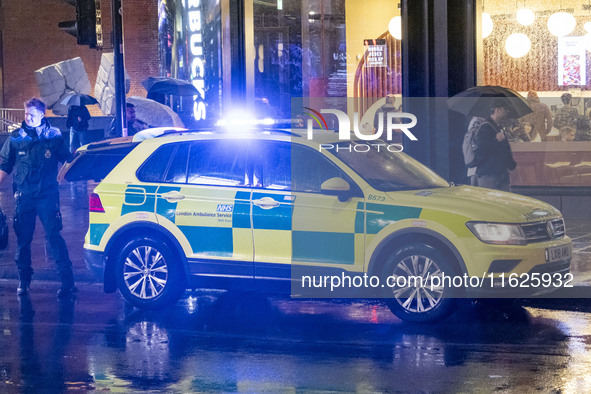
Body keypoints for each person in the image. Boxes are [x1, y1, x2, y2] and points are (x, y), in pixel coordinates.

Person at [0, 98, 76, 297]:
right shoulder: (16, 137)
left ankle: (67, 282)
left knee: (54, 237)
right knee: (23, 241)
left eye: (32, 114)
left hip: (48, 197)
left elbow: (67, 160)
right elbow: (5, 165)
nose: (28, 117)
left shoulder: (54, 136)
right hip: (24, 196)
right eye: (26, 113)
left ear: (42, 114)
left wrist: (81, 167)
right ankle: (24, 281)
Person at [472, 98, 517, 192]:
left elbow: (504, 149)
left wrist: (511, 163)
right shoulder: (485, 128)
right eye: (505, 109)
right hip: (489, 175)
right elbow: (481, 150)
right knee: (489, 203)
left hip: (501, 174)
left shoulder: (498, 127)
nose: (507, 112)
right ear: (498, 110)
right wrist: (496, 140)